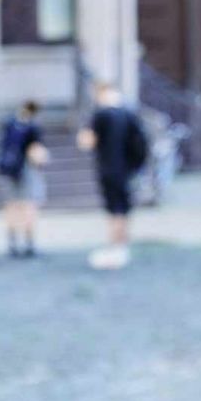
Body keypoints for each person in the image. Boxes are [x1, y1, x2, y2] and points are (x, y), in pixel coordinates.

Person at [77, 83, 145, 270]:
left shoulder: (100, 115)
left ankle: (115, 246)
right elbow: (140, 144)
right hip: (126, 169)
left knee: (113, 209)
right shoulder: (129, 114)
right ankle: (122, 246)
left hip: (108, 168)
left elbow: (86, 142)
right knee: (123, 208)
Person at [0, 101, 49, 258]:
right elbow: (37, 153)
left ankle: (13, 242)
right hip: (27, 170)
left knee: (12, 205)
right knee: (28, 205)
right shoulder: (33, 128)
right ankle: (29, 243)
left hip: (9, 169)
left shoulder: (11, 124)